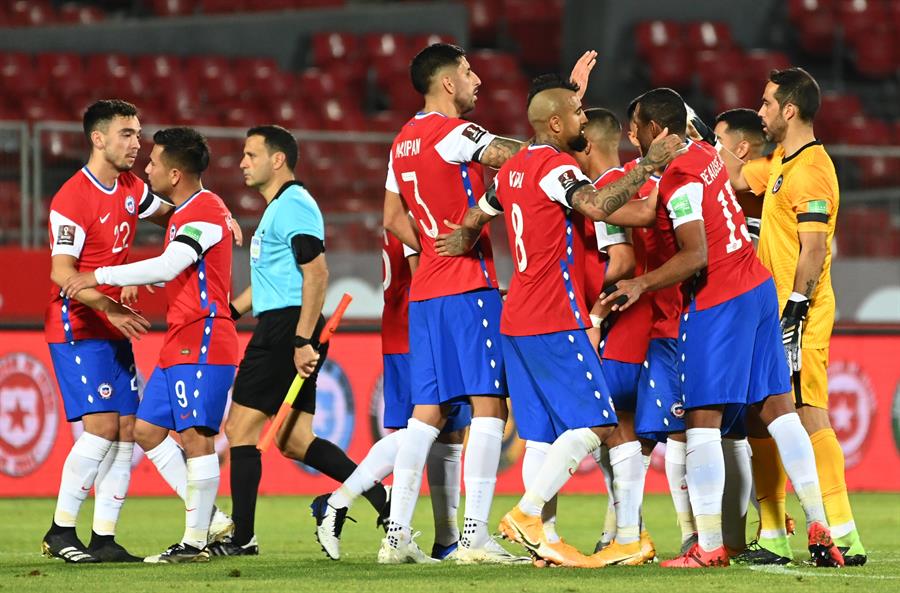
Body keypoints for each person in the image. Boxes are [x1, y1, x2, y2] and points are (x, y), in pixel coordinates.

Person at [436, 74, 685, 567]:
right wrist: (650, 166)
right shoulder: (555, 167)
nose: (584, 124)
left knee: (541, 435)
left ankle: (543, 539)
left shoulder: (511, 170)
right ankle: (529, 515)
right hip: (554, 316)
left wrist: (464, 236)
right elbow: (595, 205)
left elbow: (481, 209)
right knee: (599, 420)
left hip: (516, 319)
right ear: (555, 123)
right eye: (576, 114)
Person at [601, 87, 843, 568]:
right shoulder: (703, 153)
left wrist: (641, 284)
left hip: (720, 298)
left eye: (639, 127)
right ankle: (820, 523)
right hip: (755, 286)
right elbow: (650, 210)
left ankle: (708, 546)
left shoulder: (684, 178)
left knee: (701, 422)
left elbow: (695, 254)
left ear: (655, 130)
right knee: (779, 408)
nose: (635, 136)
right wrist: (589, 202)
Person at [377, 42, 535, 565]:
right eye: (469, 73)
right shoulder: (455, 134)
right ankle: (474, 537)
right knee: (490, 402)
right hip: (468, 286)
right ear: (447, 83)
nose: (478, 82)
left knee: (428, 409)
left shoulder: (402, 141)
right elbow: (521, 158)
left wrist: (428, 245)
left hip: (425, 293)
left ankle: (395, 536)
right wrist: (466, 230)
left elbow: (391, 217)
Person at [208, 125, 387, 556]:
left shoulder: (294, 206)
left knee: (239, 429)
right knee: (294, 440)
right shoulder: (277, 210)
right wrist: (227, 314)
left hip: (287, 329)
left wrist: (303, 338)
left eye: (251, 154)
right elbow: (270, 282)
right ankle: (385, 502)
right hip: (285, 323)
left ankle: (243, 537)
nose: (242, 162)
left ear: (278, 160)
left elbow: (317, 273)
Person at [62, 127, 239, 563]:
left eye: (155, 162)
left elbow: (172, 261)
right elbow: (180, 270)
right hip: (180, 338)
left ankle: (195, 542)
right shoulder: (187, 212)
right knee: (145, 430)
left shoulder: (205, 211)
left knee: (197, 437)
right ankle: (210, 519)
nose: (148, 168)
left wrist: (100, 276)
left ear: (175, 173)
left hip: (204, 336)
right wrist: (148, 281)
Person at [728, 68, 866, 566]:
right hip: (772, 312)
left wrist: (797, 310)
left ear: (789, 109)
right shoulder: (783, 160)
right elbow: (739, 177)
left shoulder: (812, 169)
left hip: (797, 312)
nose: (760, 111)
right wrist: (713, 143)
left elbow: (813, 247)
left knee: (807, 411)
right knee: (763, 416)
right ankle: (772, 535)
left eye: (766, 103)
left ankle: (845, 535)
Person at [41, 99, 168, 563]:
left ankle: (105, 538)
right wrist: (109, 307)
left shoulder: (133, 188)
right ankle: (59, 532)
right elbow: (61, 271)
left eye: (138, 134)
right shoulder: (72, 196)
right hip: (78, 325)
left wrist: (213, 216)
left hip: (111, 327)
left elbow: (176, 212)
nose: (137, 143)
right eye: (127, 134)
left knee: (125, 429)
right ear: (98, 138)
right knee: (99, 429)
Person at [310, 230, 471, 561]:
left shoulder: (401, 211)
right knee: (426, 426)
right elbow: (426, 276)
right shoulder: (416, 214)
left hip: (405, 327)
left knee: (448, 429)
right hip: (421, 329)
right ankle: (340, 501)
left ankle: (446, 540)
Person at [573, 108, 659, 564]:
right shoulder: (635, 176)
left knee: (610, 427)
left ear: (587, 142)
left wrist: (590, 308)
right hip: (657, 317)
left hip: (627, 318)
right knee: (640, 436)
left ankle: (625, 535)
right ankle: (623, 532)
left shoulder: (608, 191)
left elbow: (621, 262)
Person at [713, 108, 770, 248]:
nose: (710, 150)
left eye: (716, 143)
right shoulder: (719, 194)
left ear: (741, 149)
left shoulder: (772, 201)